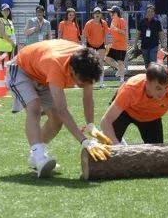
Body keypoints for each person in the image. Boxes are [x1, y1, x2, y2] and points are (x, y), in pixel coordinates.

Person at [6, 39, 112, 177]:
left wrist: (91, 125)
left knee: (56, 119)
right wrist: (84, 141)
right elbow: (63, 110)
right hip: (21, 69)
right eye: (82, 82)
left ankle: (35, 157)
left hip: (42, 74)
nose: (84, 85)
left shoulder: (87, 64)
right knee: (34, 108)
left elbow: (87, 98)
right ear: (72, 70)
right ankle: (38, 156)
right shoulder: (56, 64)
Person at [100, 63, 168, 145]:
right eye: (158, 88)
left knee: (157, 155)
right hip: (126, 111)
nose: (163, 92)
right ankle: (116, 140)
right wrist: (117, 147)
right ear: (147, 83)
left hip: (151, 118)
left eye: (165, 87)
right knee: (107, 144)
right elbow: (106, 121)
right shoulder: (131, 89)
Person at [82, 7, 109, 88]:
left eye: (99, 13)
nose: (97, 14)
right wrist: (83, 45)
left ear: (101, 15)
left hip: (101, 45)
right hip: (90, 45)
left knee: (101, 63)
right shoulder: (88, 24)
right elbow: (84, 36)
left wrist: (107, 44)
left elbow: (106, 34)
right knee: (90, 64)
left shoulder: (104, 23)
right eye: (96, 13)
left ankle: (101, 82)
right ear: (93, 14)